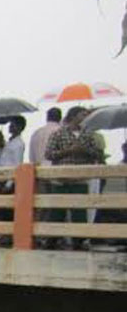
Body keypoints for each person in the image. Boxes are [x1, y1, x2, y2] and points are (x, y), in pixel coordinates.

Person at [45, 106, 104, 249]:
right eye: (82, 115)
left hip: (80, 179)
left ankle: (79, 242)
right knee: (56, 213)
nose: (85, 118)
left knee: (79, 213)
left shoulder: (88, 135)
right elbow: (49, 154)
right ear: (73, 116)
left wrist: (85, 150)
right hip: (61, 180)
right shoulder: (58, 134)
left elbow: (98, 154)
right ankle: (52, 241)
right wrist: (68, 151)